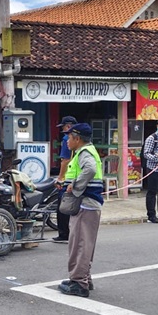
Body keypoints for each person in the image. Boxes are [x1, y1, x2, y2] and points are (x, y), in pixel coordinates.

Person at [58, 123, 105, 297]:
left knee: (79, 244)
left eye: (69, 138)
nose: (67, 141)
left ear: (77, 139)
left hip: (86, 203)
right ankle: (83, 278)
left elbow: (91, 169)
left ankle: (79, 283)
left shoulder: (85, 153)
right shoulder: (85, 152)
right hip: (88, 204)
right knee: (84, 243)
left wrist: (75, 186)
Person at [53, 115, 77, 244]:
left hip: (68, 177)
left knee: (62, 208)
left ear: (68, 126)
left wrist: (60, 177)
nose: (62, 130)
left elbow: (65, 160)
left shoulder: (67, 139)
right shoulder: (81, 141)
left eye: (63, 127)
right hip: (77, 177)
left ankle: (63, 233)